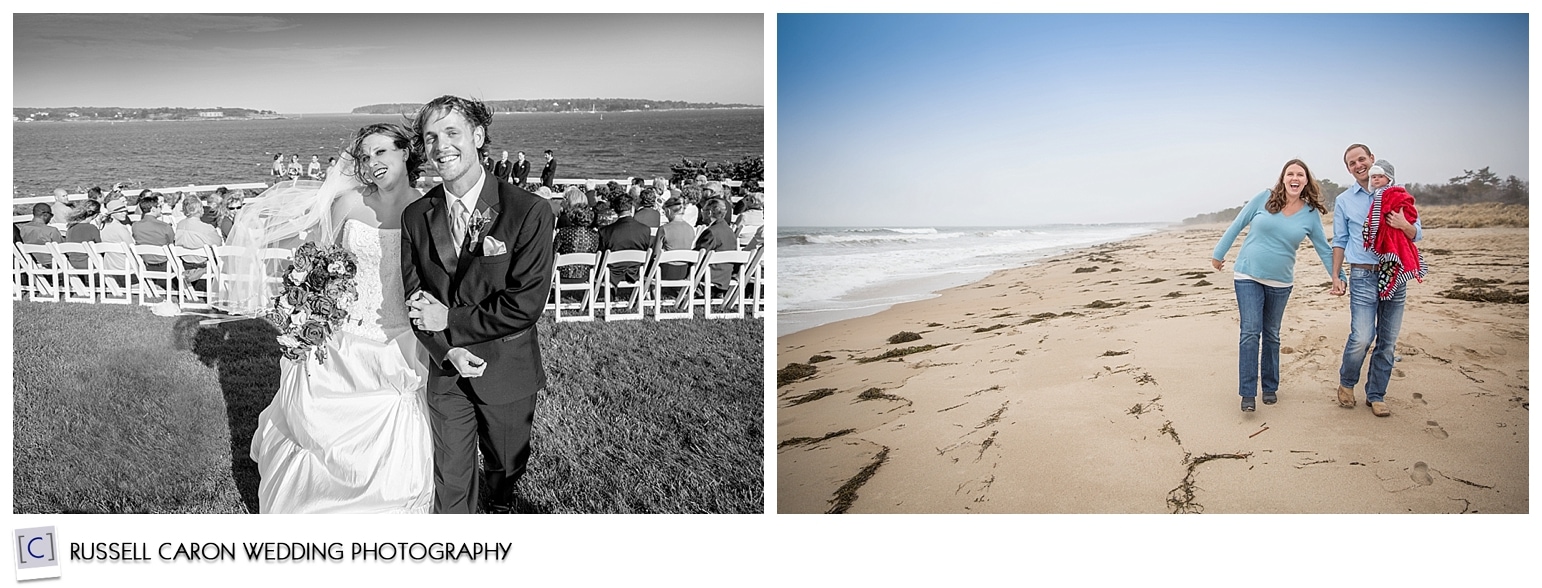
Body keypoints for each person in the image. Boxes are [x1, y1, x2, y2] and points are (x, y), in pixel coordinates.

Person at [238, 123, 435, 513]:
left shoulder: (431, 207)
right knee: (318, 433)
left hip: (401, 338)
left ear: (405, 152)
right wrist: (307, 312)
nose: (372, 162)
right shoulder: (347, 204)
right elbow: (318, 262)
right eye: (365, 156)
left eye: (381, 152)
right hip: (342, 331)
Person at [402, 95, 554, 514]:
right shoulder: (417, 215)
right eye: (430, 137)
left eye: (451, 133)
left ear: (478, 136)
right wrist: (445, 347)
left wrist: (449, 319)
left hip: (506, 369)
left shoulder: (529, 211)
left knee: (505, 467)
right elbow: (415, 299)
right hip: (446, 367)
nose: (440, 146)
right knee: (451, 476)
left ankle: (502, 504)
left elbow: (525, 305)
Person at [1211, 159, 1340, 412]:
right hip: (1247, 274)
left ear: (1306, 181)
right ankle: (1248, 393)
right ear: (1283, 178)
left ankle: (1269, 387)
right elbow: (1238, 224)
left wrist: (1337, 276)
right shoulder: (1264, 198)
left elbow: (1324, 249)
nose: (1295, 178)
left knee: (1271, 334)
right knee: (1250, 331)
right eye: (1290, 173)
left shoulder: (1310, 213)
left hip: (1280, 282)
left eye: (1300, 174)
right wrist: (1218, 253)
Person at [1333, 146, 1422, 418]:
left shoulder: (1397, 193)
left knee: (1387, 340)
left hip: (1394, 271)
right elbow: (1339, 240)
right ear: (1348, 169)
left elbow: (1417, 233)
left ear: (1372, 160)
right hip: (1362, 274)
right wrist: (1336, 275)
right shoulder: (1345, 200)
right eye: (1352, 163)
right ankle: (1347, 384)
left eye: (1362, 159)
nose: (1358, 165)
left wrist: (1402, 225)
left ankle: (1376, 395)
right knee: (1361, 336)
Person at [598, 190, 652, 287]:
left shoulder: (606, 231)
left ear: (615, 210)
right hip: (635, 271)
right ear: (631, 208)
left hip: (612, 273)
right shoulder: (645, 230)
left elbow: (601, 255)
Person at [694, 197, 738, 293]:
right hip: (725, 274)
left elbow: (698, 255)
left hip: (712, 275)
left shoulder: (711, 232)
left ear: (709, 213)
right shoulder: (729, 230)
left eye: (703, 210)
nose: (701, 213)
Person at [653, 196, 696, 281]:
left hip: (666, 271)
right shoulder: (690, 229)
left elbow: (656, 254)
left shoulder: (664, 229)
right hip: (684, 270)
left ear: (668, 211)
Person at [131, 195, 175, 272]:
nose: (160, 209)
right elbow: (171, 244)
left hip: (145, 265)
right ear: (153, 209)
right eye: (159, 207)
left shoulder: (135, 226)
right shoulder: (165, 227)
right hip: (165, 265)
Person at [19, 203, 64, 267]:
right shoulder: (51, 231)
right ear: (45, 215)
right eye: (51, 215)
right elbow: (62, 250)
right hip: (53, 265)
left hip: (32, 264)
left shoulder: (23, 229)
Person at [63, 200, 103, 270]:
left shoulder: (71, 227)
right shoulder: (92, 228)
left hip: (73, 262)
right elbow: (100, 247)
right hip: (89, 263)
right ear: (96, 215)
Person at [98, 198, 134, 274]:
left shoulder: (103, 226)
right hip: (125, 265)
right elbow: (131, 247)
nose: (124, 213)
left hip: (108, 266)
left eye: (125, 211)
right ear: (112, 213)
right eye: (120, 212)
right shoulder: (120, 228)